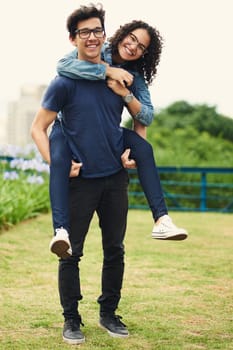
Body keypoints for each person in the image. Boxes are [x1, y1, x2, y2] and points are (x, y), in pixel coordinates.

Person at [31, 4, 133, 344]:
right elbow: (38, 129)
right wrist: (58, 164)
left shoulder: (116, 75)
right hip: (81, 181)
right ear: (73, 38)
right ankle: (71, 320)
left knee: (115, 249)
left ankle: (108, 313)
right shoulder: (63, 82)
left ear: (105, 35)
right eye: (84, 32)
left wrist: (132, 149)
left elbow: (136, 114)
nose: (92, 37)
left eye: (97, 31)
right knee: (70, 252)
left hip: (115, 177)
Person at [48, 16, 188, 259]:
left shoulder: (136, 78)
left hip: (107, 131)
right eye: (132, 38)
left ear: (145, 53)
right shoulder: (98, 49)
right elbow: (63, 66)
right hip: (70, 126)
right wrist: (108, 70)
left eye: (141, 46)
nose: (134, 46)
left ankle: (162, 219)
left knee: (145, 150)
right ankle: (60, 230)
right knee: (59, 161)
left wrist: (124, 93)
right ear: (122, 35)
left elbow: (145, 115)